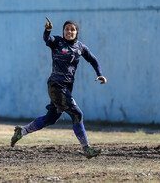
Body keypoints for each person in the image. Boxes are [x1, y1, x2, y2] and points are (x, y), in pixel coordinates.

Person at [10, 17, 107, 159]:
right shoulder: (57, 42)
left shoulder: (80, 47)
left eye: (72, 29)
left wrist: (100, 74)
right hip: (56, 85)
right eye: (67, 29)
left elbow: (93, 59)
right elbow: (46, 39)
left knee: (51, 119)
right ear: (63, 31)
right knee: (77, 114)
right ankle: (87, 149)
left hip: (65, 88)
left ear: (76, 32)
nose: (69, 31)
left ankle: (22, 131)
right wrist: (47, 30)